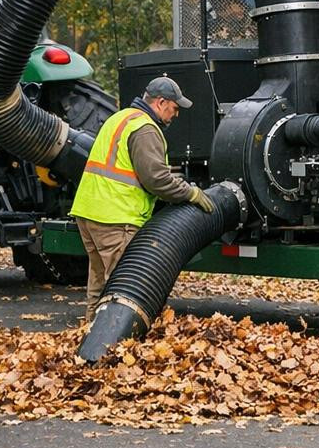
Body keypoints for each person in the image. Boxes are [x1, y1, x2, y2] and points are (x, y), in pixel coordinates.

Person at [69, 77, 214, 322]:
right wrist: (191, 193)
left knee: (98, 283)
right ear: (160, 102)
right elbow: (156, 179)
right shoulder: (145, 128)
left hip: (90, 212)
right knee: (124, 290)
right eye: (174, 108)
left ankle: (91, 332)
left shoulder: (121, 117)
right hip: (116, 217)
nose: (175, 114)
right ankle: (117, 347)